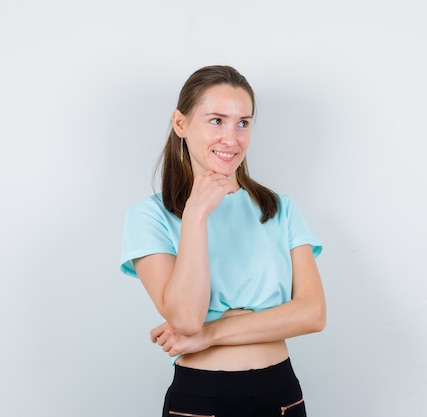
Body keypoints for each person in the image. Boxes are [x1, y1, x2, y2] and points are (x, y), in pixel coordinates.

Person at [120, 65, 325, 417]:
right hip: (201, 397)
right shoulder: (149, 217)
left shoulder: (279, 208)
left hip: (281, 393)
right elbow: (185, 319)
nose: (231, 138)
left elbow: (312, 314)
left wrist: (210, 335)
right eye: (216, 120)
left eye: (243, 122)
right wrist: (196, 215)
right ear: (181, 124)